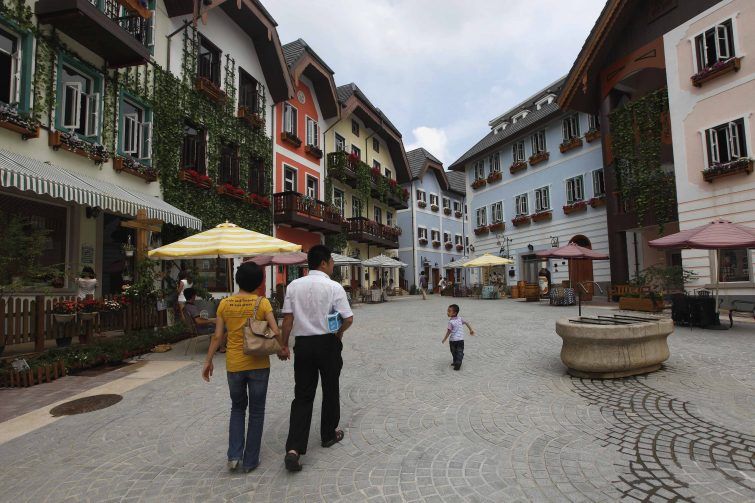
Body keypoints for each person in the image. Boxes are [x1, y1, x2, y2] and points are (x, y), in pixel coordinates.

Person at [279, 245, 354, 472]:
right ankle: (328, 434)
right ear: (324, 262)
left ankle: (294, 449)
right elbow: (348, 319)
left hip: (303, 345)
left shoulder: (293, 286)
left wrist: (283, 345)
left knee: (302, 395)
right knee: (330, 389)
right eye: (331, 261)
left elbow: (288, 321)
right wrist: (338, 334)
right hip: (327, 343)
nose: (332, 265)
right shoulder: (334, 287)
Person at [201, 262, 281, 473]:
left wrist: (208, 361)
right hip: (259, 365)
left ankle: (234, 456)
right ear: (259, 282)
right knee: (256, 411)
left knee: (237, 408)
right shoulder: (262, 304)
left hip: (234, 365)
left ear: (238, 280)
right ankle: (250, 461)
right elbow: (276, 331)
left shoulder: (225, 304)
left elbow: (218, 336)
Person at [441, 304, 475, 370]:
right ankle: (456, 361)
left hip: (453, 340)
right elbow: (466, 323)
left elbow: (449, 331)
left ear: (454, 313)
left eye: (449, 311)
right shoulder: (460, 319)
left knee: (453, 351)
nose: (447, 313)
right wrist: (470, 330)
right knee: (458, 351)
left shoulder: (451, 322)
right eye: (447, 311)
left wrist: (444, 339)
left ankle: (458, 362)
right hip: (460, 340)